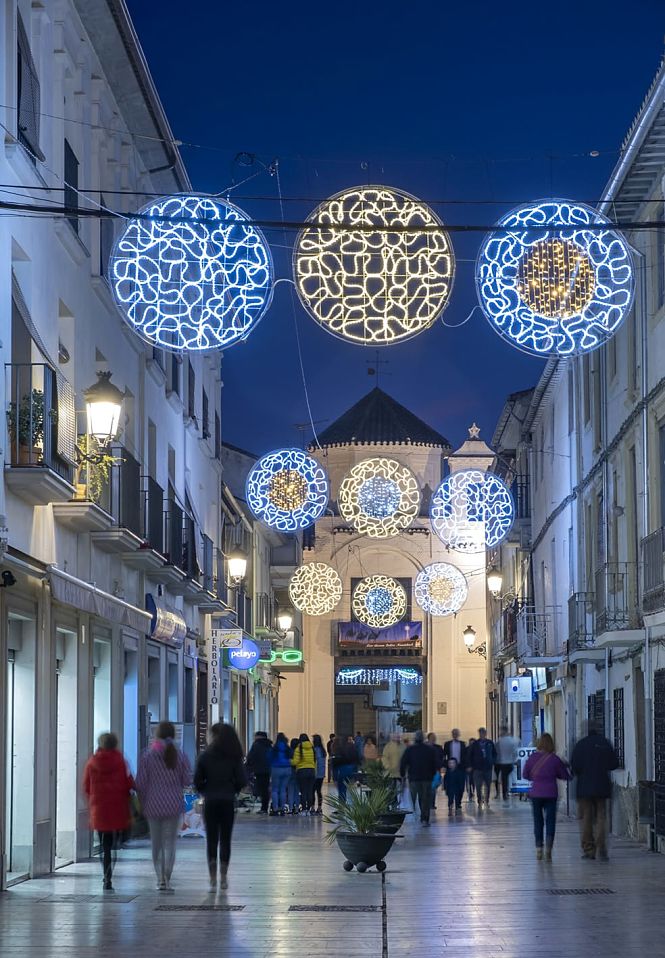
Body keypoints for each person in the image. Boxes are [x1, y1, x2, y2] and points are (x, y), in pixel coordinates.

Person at [136, 721, 192, 890]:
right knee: (170, 843)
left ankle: (160, 878)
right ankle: (167, 875)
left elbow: (141, 783)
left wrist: (141, 800)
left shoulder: (147, 755)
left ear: (157, 735)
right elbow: (187, 780)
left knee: (156, 843)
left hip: (153, 804)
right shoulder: (180, 755)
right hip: (174, 804)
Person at [194, 723, 247, 892]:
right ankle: (223, 877)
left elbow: (197, 781)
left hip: (210, 801)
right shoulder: (234, 756)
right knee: (225, 839)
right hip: (227, 800)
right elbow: (242, 780)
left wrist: (205, 790)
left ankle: (212, 878)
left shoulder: (205, 756)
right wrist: (233, 789)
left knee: (211, 839)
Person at [82, 732, 135, 891]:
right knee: (112, 844)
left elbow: (85, 786)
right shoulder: (120, 761)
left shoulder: (92, 762)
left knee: (103, 844)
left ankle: (106, 876)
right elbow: (128, 784)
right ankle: (109, 874)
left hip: (98, 808)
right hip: (117, 808)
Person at [571, 722, 619, 861]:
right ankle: (602, 848)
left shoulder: (581, 745)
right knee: (601, 817)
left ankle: (589, 850)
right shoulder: (604, 743)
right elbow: (614, 764)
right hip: (602, 786)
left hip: (584, 787)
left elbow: (575, 766)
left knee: (586, 817)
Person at [523, 733, 571, 860]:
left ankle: (539, 848)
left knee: (538, 821)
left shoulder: (532, 758)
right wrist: (565, 765)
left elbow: (525, 774)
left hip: (536, 794)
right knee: (550, 821)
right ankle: (549, 849)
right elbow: (564, 776)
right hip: (551, 793)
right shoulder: (554, 759)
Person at [400, 730, 439, 826]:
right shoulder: (430, 749)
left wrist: (402, 774)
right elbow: (434, 763)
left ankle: (414, 816)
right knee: (425, 799)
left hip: (414, 778)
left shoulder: (410, 749)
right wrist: (432, 773)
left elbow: (403, 762)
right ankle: (424, 819)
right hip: (427, 778)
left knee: (414, 798)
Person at [467, 728, 496, 808]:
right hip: (477, 768)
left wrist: (492, 761)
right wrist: (470, 765)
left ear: (485, 734)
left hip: (488, 768)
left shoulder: (490, 743)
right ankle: (479, 800)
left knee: (488, 785)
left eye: (483, 733)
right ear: (479, 734)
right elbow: (470, 755)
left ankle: (487, 800)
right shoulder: (475, 744)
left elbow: (494, 753)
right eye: (481, 733)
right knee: (478, 785)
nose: (482, 734)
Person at [246, 731, 272, 814]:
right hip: (268, 770)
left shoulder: (256, 745)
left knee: (261, 788)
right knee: (265, 789)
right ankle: (265, 807)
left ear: (258, 737)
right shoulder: (269, 745)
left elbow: (250, 757)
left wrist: (248, 766)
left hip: (259, 770)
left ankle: (263, 808)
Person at [292, 733, 316, 814]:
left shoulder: (299, 748)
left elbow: (295, 761)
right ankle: (309, 809)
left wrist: (288, 761)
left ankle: (304, 809)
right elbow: (314, 760)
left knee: (303, 791)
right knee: (310, 791)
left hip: (302, 771)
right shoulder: (312, 748)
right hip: (312, 770)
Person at [269, 732, 292, 815]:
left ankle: (275, 809)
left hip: (276, 768)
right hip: (287, 768)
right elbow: (291, 756)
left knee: (275, 789)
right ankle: (282, 809)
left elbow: (269, 757)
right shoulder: (287, 748)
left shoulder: (275, 748)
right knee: (283, 790)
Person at [495, 726, 520, 801]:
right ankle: (506, 792)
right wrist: (514, 759)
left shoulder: (500, 741)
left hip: (502, 762)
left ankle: (505, 793)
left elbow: (497, 751)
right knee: (507, 778)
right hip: (509, 762)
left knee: (504, 778)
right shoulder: (513, 740)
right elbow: (515, 752)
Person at [332, 735, 359, 802]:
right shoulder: (352, 747)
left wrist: (334, 777)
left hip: (342, 770)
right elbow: (357, 758)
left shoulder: (339, 749)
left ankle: (342, 805)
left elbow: (336, 763)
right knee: (350, 789)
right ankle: (352, 806)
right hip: (351, 769)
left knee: (342, 789)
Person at [382, 733, 406, 799]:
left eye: (398, 737)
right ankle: (393, 802)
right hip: (390, 773)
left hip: (400, 773)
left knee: (401, 790)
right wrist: (387, 766)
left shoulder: (403, 746)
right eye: (396, 737)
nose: (398, 739)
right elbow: (384, 757)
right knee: (391, 789)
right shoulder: (388, 746)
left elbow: (406, 758)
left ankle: (400, 803)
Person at [426, 733, 445, 809]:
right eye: (432, 737)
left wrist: (441, 767)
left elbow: (442, 758)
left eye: (434, 737)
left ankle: (431, 804)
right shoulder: (424, 747)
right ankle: (427, 803)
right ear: (429, 738)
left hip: (435, 770)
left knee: (433, 788)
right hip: (426, 771)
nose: (434, 739)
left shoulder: (439, 748)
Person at [312, 733, 326, 814]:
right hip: (321, 773)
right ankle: (320, 808)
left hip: (315, 773)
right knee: (319, 791)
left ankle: (312, 807)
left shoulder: (314, 750)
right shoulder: (322, 750)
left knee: (312, 790)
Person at [287, 738, 301, 813]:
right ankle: (297, 807)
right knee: (297, 791)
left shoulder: (289, 752)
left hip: (290, 772)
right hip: (298, 772)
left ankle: (290, 807)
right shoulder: (299, 752)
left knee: (290, 791)